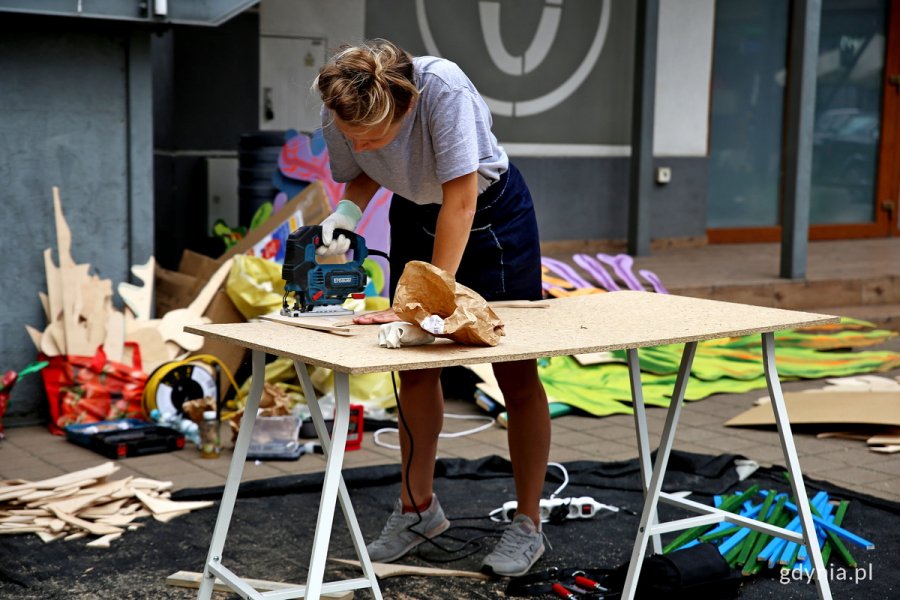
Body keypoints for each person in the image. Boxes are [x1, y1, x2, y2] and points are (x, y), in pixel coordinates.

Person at [313, 39, 551, 577]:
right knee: (415, 368)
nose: (360, 143)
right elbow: (367, 168)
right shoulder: (341, 104)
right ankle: (419, 511)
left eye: (373, 136)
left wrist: (431, 298)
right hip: (417, 215)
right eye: (352, 136)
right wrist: (347, 211)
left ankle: (529, 523)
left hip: (490, 216)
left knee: (515, 368)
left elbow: (461, 198)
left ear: (404, 104)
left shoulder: (442, 89)